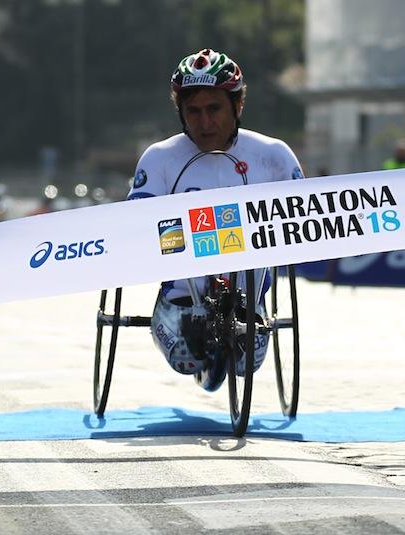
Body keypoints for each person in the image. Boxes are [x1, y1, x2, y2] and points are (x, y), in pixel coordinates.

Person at [127, 48, 304, 391]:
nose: (205, 123)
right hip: (182, 295)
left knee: (245, 364)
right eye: (193, 112)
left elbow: (302, 222)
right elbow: (137, 229)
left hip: (247, 294)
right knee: (185, 359)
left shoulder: (274, 155)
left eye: (214, 109)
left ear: (237, 106)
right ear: (180, 113)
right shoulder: (160, 158)